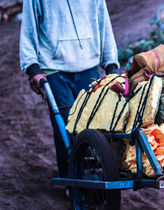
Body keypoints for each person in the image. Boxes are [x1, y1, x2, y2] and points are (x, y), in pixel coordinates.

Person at [19, 0, 120, 177]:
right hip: (54, 68)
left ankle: (94, 172)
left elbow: (103, 23)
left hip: (88, 66)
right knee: (66, 125)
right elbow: (29, 28)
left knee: (94, 124)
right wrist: (32, 67)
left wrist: (111, 64)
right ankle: (71, 178)